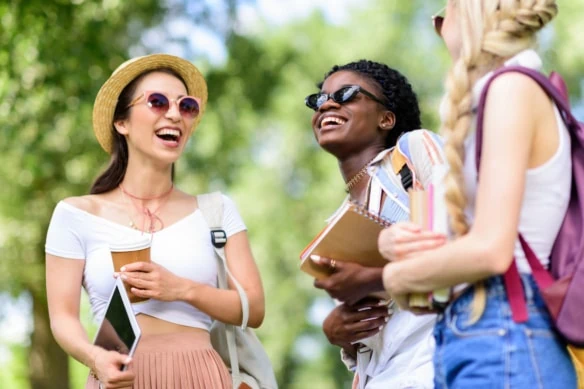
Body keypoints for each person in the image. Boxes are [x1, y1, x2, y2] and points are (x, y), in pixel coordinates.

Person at [379, 1, 578, 388]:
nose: (439, 25)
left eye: (445, 10)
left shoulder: (510, 88)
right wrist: (397, 242)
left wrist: (396, 275)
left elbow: (490, 249)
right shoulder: (502, 91)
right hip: (481, 335)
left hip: (504, 334)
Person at [45, 54, 265, 388]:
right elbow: (62, 318)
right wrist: (95, 357)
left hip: (202, 376)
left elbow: (254, 308)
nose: (175, 114)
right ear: (122, 123)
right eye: (157, 102)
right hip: (120, 377)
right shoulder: (75, 215)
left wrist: (182, 289)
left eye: (186, 106)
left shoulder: (216, 212)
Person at [305, 59, 447, 388]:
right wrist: (340, 334)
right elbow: (380, 329)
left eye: (346, 94)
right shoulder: (339, 224)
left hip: (443, 361)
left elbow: (470, 232)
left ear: (386, 118)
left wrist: (374, 278)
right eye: (318, 99)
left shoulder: (414, 152)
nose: (326, 103)